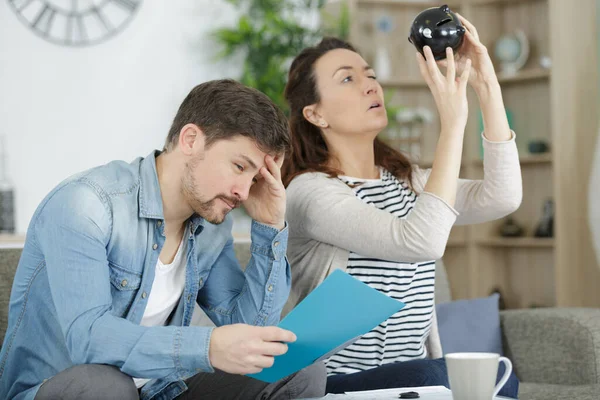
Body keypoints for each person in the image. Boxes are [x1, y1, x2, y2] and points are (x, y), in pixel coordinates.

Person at [0, 79, 326, 400]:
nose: (243, 191)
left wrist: (270, 226)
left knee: (296, 371)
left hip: (157, 390)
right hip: (68, 388)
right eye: (239, 166)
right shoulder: (86, 204)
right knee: (105, 385)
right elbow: (89, 338)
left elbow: (251, 340)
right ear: (190, 139)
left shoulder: (212, 226)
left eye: (254, 178)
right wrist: (207, 347)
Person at [281, 15, 521, 399]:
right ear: (315, 114)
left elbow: (502, 195)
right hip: (333, 384)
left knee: (496, 377)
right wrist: (453, 123)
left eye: (370, 74)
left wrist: (485, 83)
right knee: (445, 380)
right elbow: (418, 241)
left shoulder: (411, 183)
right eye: (348, 79)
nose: (369, 85)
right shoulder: (310, 193)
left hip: (409, 377)